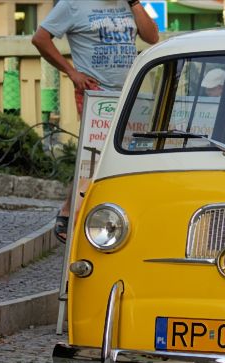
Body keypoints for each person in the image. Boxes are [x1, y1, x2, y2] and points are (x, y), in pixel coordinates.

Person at [32, 0, 159, 243]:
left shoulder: (129, 5)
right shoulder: (73, 4)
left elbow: (152, 37)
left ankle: (110, 210)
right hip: (95, 92)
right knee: (95, 155)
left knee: (127, 154)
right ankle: (71, 212)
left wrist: (134, 3)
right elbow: (40, 38)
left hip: (130, 92)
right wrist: (72, 73)